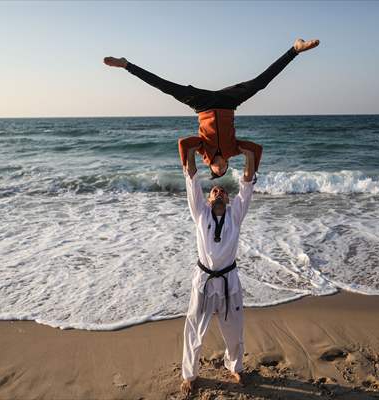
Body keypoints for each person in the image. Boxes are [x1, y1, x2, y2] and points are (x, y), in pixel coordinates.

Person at [103, 38, 320, 179]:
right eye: (224, 169)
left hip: (202, 105)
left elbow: (182, 143)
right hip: (228, 103)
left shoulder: (201, 150)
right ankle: (295, 49)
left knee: (165, 86)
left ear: (212, 169)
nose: (222, 168)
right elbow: (257, 149)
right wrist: (251, 168)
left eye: (218, 171)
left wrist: (188, 167)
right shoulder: (234, 150)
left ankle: (126, 65)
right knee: (260, 83)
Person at [178, 139, 256, 395]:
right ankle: (190, 374)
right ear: (209, 199)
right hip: (203, 281)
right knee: (194, 330)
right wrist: (190, 151)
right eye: (214, 191)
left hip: (229, 281)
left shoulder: (235, 215)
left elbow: (246, 183)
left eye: (223, 191)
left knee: (234, 330)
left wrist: (246, 155)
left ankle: (235, 366)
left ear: (229, 198)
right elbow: (192, 181)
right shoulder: (200, 213)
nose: (218, 193)